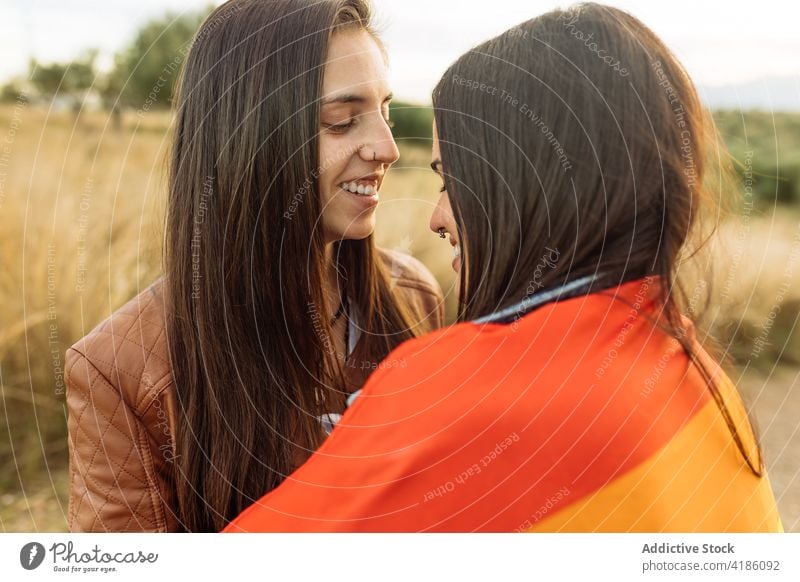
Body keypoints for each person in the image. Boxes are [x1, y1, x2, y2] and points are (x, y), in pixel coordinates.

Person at [224, 3, 783, 532]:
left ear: (529, 192)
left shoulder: (464, 397)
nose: (437, 218)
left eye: (453, 181)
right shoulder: (694, 374)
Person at [65, 0, 443, 532]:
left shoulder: (413, 297)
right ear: (248, 138)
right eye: (341, 121)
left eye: (386, 110)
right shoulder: (121, 371)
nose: (385, 146)